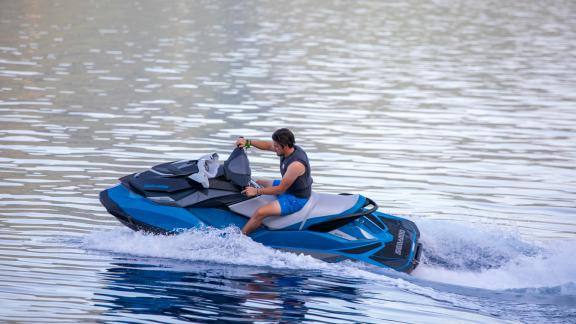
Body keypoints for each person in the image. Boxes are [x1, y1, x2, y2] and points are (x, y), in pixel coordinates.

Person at [236, 128, 313, 235]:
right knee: (258, 182)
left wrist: (256, 191)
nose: (274, 148)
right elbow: (267, 145)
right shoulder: (287, 149)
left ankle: (240, 237)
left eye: (276, 146)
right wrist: (247, 142)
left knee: (260, 212)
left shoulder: (296, 165)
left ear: (285, 146)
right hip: (289, 187)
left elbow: (280, 189)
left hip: (295, 198)